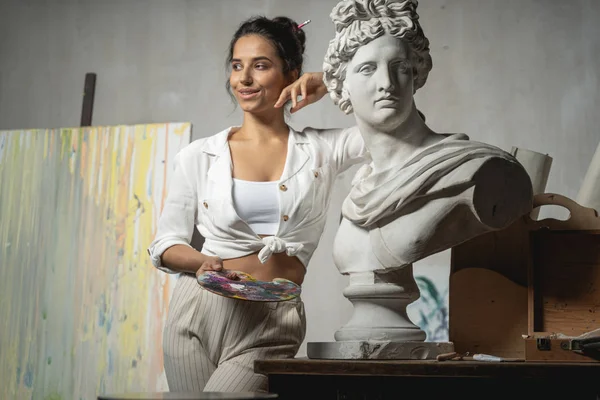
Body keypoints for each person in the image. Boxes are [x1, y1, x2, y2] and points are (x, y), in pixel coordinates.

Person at [147, 16, 367, 392]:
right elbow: (165, 244)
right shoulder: (200, 155)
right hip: (197, 312)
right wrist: (201, 261)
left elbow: (399, 130)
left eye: (260, 65)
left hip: (272, 320)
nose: (244, 79)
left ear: (291, 74)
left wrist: (330, 82)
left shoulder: (323, 149)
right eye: (237, 66)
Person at [321, 0, 533, 342]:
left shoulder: (474, 169)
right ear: (341, 83)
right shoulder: (359, 188)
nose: (386, 82)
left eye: (400, 67)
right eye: (367, 69)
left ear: (416, 73)